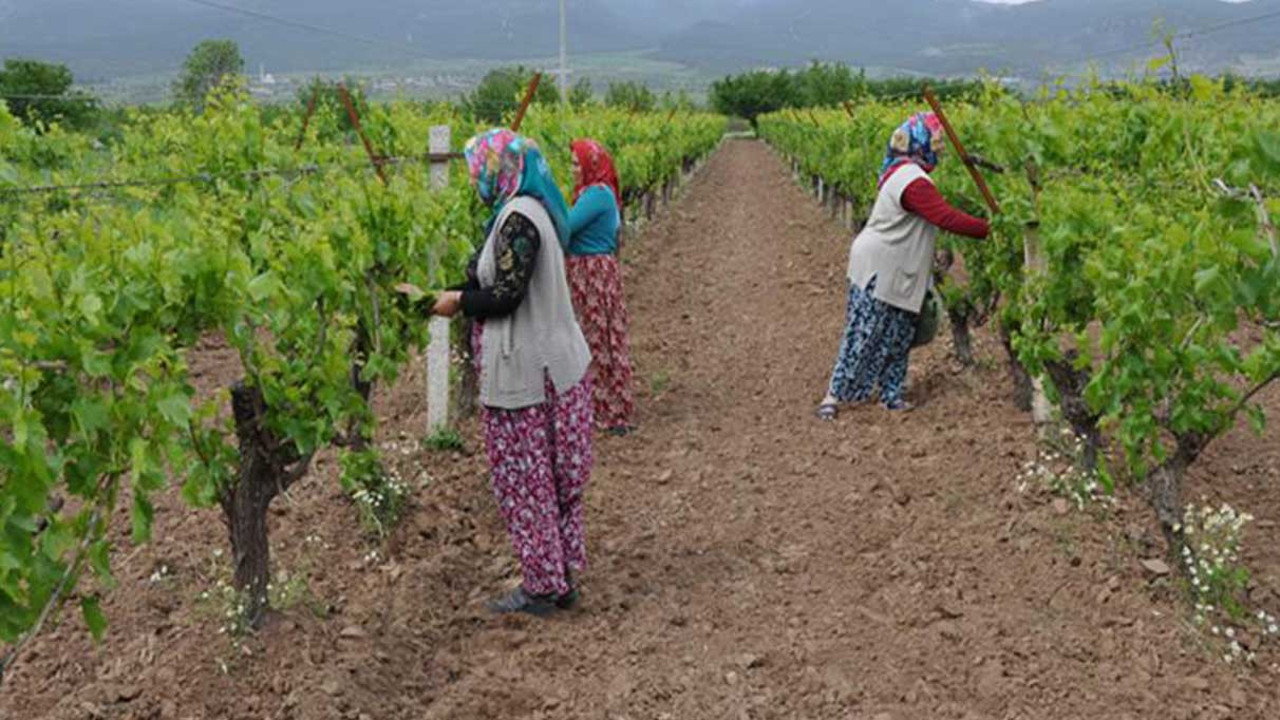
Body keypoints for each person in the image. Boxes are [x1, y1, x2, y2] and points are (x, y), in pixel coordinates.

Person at [415, 129, 594, 616]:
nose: (476, 178)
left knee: (526, 481)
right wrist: (439, 295)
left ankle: (541, 587)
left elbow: (507, 294)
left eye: (479, 168)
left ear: (497, 170)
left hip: (527, 374)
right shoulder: (532, 209)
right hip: (550, 367)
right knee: (551, 483)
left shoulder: (519, 218)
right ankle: (559, 577)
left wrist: (457, 302)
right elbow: (493, 279)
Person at [816, 112, 989, 420]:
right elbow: (944, 217)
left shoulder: (909, 174)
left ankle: (891, 394)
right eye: (935, 141)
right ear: (919, 142)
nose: (939, 149)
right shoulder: (911, 180)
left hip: (899, 267)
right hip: (879, 266)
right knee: (864, 332)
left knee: (899, 335)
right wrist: (990, 228)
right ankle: (834, 396)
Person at [566, 139, 635, 436]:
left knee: (597, 338)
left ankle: (607, 410)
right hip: (592, 272)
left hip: (591, 274)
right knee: (597, 336)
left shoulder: (595, 195)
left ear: (591, 165)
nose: (572, 169)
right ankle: (604, 406)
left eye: (576, 163)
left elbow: (566, 226)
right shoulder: (598, 193)